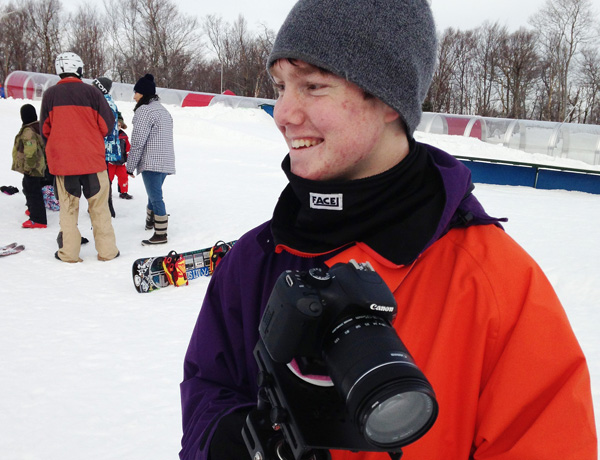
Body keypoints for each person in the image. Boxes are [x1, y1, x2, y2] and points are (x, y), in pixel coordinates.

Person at [179, 1, 597, 459]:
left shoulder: (496, 285)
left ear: (388, 101)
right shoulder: (256, 259)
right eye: (281, 86)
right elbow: (209, 387)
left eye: (314, 86)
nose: (282, 113)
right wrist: (229, 441)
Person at [40, 52, 119, 263]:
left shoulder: (50, 95)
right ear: (79, 69)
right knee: (99, 208)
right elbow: (107, 125)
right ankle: (107, 252)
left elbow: (45, 130)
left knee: (68, 210)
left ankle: (69, 253)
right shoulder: (93, 93)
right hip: (93, 162)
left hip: (64, 165)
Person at [126, 73, 175, 245]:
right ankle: (150, 221)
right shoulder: (163, 111)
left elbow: (138, 141)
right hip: (165, 161)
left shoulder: (144, 111)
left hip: (151, 161)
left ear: (144, 94)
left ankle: (160, 234)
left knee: (156, 197)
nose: (134, 97)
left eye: (136, 93)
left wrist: (129, 166)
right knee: (153, 193)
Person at [12, 103, 48, 228]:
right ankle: (32, 209)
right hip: (39, 165)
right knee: (29, 188)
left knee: (32, 191)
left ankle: (38, 219)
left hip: (33, 167)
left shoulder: (28, 131)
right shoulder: (37, 126)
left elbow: (30, 151)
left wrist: (29, 167)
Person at [93, 76, 121, 218]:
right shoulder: (108, 101)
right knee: (103, 176)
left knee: (102, 177)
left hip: (103, 145)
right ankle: (106, 205)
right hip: (106, 145)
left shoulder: (103, 103)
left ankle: (106, 206)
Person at [113, 112, 132, 200]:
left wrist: (128, 156)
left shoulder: (124, 136)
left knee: (124, 177)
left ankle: (123, 192)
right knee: (108, 178)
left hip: (121, 162)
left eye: (119, 125)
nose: (118, 127)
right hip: (110, 163)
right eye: (116, 125)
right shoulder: (109, 136)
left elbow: (128, 147)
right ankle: (106, 193)